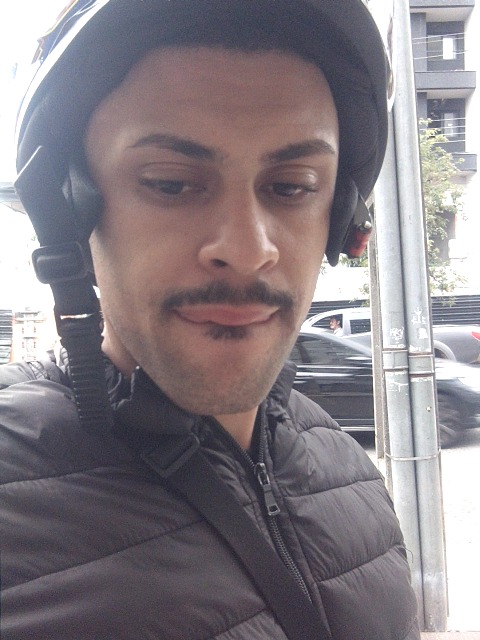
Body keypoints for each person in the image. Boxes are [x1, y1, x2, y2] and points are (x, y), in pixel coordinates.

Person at [0, 1, 420, 639]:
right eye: (171, 183)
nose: (248, 249)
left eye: (291, 186)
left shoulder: (348, 470)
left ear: (340, 218)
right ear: (68, 212)